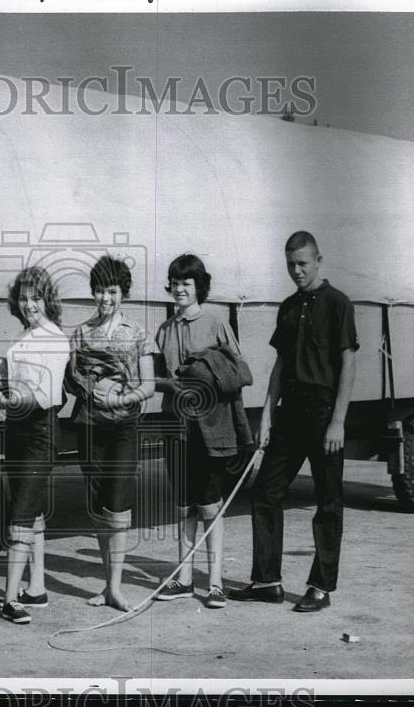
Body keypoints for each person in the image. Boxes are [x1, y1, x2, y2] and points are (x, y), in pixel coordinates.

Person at [230, 231, 357, 612]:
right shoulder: (287, 307)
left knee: (328, 500)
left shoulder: (339, 304)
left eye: (303, 263)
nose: (297, 271)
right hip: (289, 412)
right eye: (290, 264)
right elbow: (280, 366)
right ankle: (267, 581)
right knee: (265, 492)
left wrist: (339, 421)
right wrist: (267, 417)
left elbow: (348, 363)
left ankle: (320, 587)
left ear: (319, 260)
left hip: (323, 412)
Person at [154, 253, 255, 608]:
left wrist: (205, 377)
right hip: (177, 427)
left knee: (211, 505)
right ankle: (183, 578)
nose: (180, 289)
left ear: (199, 287)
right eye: (175, 283)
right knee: (184, 506)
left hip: (211, 428)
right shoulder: (164, 330)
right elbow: (158, 378)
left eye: (187, 283)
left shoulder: (216, 323)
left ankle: (214, 583)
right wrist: (170, 384)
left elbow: (238, 372)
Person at [66, 255, 155, 612]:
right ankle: (107, 585)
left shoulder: (136, 332)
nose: (105, 298)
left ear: (123, 293)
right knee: (99, 509)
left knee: (118, 506)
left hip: (123, 428)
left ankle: (116, 589)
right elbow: (71, 381)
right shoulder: (81, 332)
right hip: (89, 427)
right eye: (100, 290)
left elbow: (148, 386)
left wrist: (121, 396)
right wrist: (89, 388)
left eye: (113, 291)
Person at [0, 266, 70, 624]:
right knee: (33, 511)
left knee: (21, 516)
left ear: (47, 299)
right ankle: (36, 587)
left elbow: (46, 396)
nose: (29, 305)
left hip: (40, 430)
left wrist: (8, 397)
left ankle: (10, 600)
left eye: (36, 298)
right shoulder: (27, 336)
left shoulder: (53, 338)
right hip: (19, 431)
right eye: (24, 298)